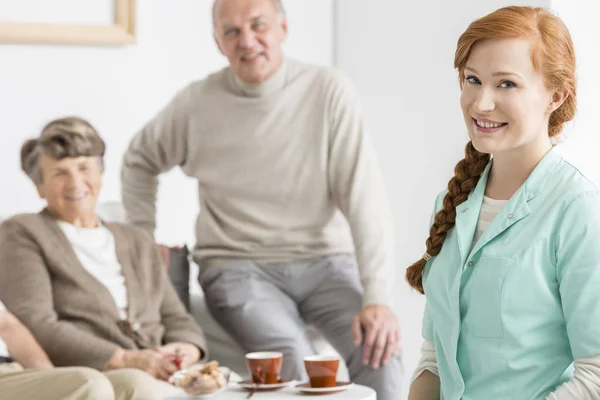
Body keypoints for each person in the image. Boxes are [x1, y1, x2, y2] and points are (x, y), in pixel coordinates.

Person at [120, 0, 402, 398]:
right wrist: (141, 237)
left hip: (326, 262)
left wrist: (377, 297)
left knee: (382, 352)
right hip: (237, 267)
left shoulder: (327, 89)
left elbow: (364, 199)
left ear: (283, 28)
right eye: (231, 31)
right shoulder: (196, 104)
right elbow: (139, 159)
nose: (247, 41)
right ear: (218, 42)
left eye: (258, 25)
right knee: (294, 363)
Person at [406, 6, 600, 400]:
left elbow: (595, 374)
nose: (480, 103)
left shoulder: (578, 209)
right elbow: (434, 358)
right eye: (472, 80)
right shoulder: (450, 202)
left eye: (506, 84)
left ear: (555, 95)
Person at [0, 117, 208, 400]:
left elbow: (175, 315)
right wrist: (125, 358)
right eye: (60, 173)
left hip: (155, 364)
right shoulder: (24, 233)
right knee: (139, 386)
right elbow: (36, 321)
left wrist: (186, 349)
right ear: (40, 187)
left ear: (100, 173)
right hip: (89, 366)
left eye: (84, 167)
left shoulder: (137, 239)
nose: (75, 182)